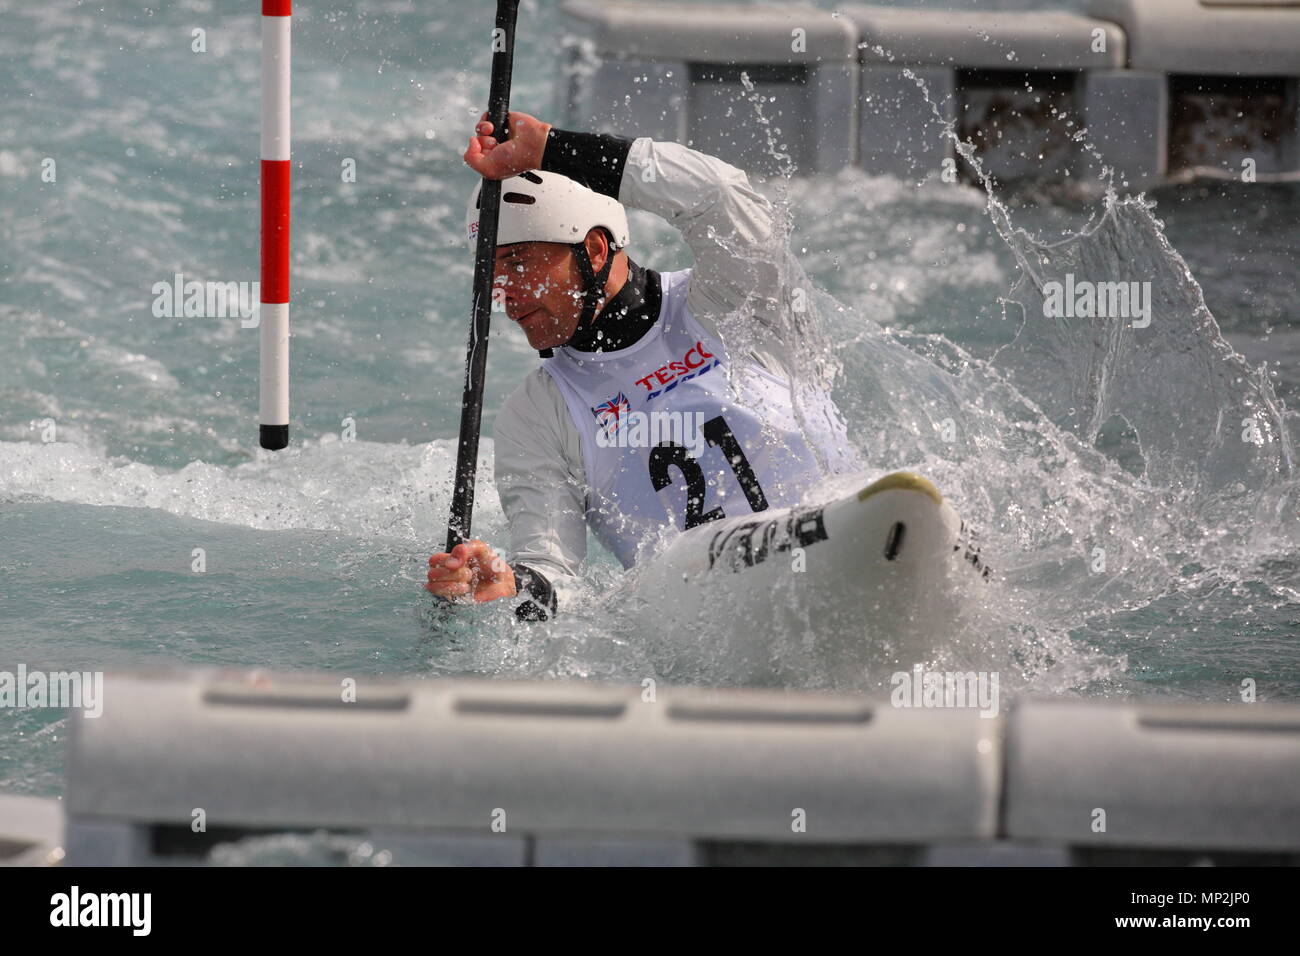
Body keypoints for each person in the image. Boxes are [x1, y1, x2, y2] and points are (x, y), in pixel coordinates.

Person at [427, 111, 857, 619]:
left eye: (519, 264)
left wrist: (550, 148)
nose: (504, 292)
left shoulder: (730, 300)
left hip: (848, 539)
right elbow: (557, 577)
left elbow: (718, 195)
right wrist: (510, 582)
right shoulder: (537, 415)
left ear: (594, 247)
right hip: (715, 624)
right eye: (493, 275)